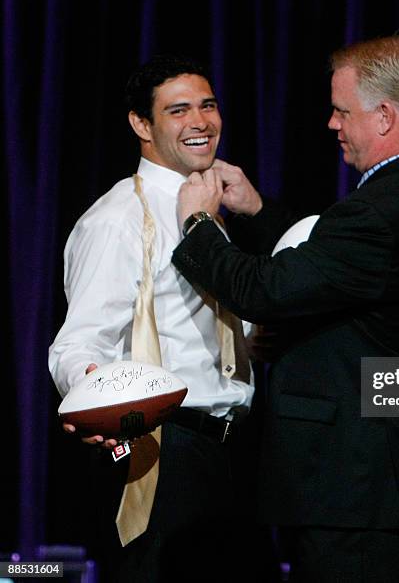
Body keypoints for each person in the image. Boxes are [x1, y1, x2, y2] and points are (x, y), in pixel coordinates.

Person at [171, 34, 399, 581]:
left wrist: (198, 226)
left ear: (382, 117)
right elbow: (335, 271)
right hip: (369, 482)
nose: (332, 124)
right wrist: (257, 210)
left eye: (340, 111)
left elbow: (268, 289)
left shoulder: (385, 211)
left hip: (356, 487)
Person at [49, 54, 273, 582]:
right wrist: (94, 396)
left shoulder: (214, 207)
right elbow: (77, 343)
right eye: (178, 110)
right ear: (141, 125)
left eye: (208, 106)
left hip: (233, 451)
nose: (200, 122)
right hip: (165, 452)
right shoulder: (117, 219)